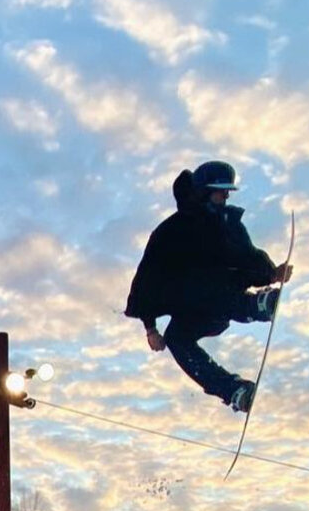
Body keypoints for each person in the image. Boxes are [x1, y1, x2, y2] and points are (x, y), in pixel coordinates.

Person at [125, 161, 293, 413]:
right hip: (192, 303)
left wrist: (271, 274)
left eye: (228, 192)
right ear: (204, 191)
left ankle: (253, 305)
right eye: (221, 191)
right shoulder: (172, 231)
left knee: (212, 284)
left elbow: (247, 255)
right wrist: (150, 328)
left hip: (222, 297)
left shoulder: (227, 222)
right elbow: (148, 279)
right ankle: (232, 390)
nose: (226, 196)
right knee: (176, 338)